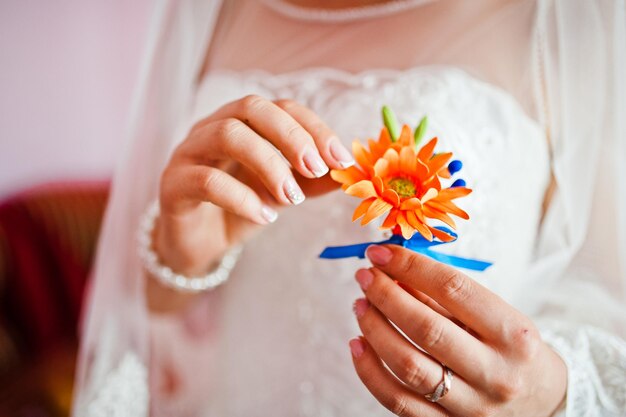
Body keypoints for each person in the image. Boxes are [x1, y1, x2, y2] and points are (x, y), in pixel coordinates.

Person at [72, 1, 626, 416]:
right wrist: (184, 251)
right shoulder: (211, 10)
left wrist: (552, 391)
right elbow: (147, 313)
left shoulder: (570, 18)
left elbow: (609, 301)